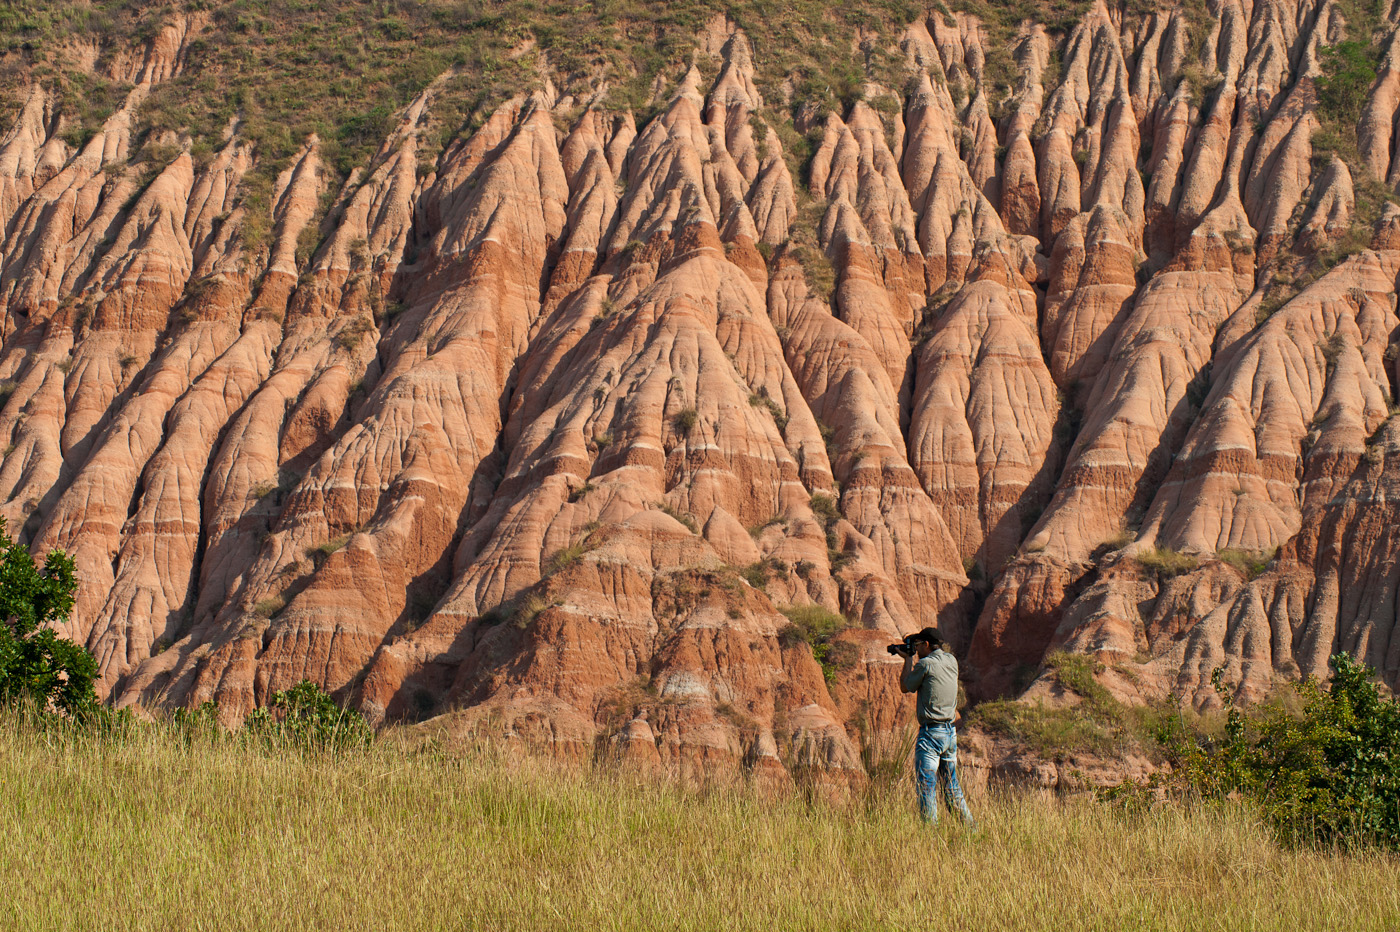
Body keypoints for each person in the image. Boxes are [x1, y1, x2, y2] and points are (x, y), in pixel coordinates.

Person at [898, 627, 974, 825]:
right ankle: (970, 829)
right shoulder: (952, 661)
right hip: (950, 733)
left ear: (926, 645)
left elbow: (905, 686)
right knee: (951, 787)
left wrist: (907, 659)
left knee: (926, 786)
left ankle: (930, 835)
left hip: (931, 733)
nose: (916, 649)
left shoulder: (925, 664)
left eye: (917, 645)